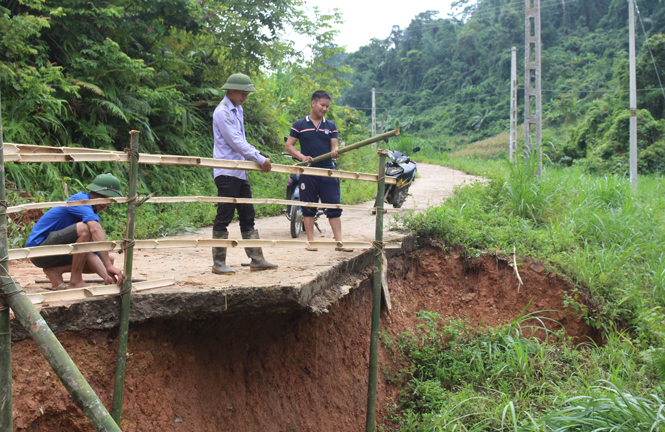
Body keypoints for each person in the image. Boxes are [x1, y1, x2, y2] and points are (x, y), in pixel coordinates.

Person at [211, 72, 278, 274]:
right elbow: (236, 142)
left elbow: (243, 140)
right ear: (230, 90)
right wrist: (258, 158)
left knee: (248, 214)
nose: (245, 98)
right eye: (243, 93)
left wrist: (258, 155)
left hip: (240, 172)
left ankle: (257, 259)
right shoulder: (222, 112)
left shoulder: (237, 109)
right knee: (224, 215)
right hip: (227, 171)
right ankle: (218, 262)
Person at [25, 173, 126, 289]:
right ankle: (76, 281)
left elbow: (89, 252)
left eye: (110, 200)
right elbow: (95, 228)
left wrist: (106, 276)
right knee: (86, 229)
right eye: (104, 197)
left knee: (107, 258)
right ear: (94, 192)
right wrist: (108, 266)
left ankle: (55, 270)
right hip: (39, 251)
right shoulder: (80, 201)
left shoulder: (91, 212)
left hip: (56, 253)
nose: (107, 203)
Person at [285, 90, 352, 252]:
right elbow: (289, 145)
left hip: (328, 172)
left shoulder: (331, 126)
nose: (325, 109)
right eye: (322, 105)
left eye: (327, 106)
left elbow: (334, 145)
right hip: (308, 172)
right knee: (308, 207)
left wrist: (335, 151)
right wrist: (302, 157)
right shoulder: (300, 124)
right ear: (313, 103)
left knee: (334, 207)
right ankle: (311, 242)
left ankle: (339, 242)